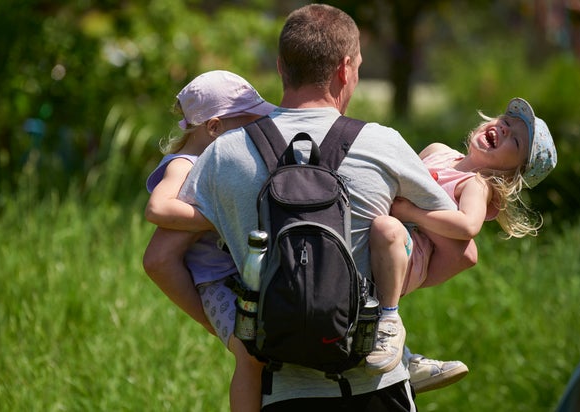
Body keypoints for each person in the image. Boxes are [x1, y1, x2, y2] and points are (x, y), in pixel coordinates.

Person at [147, 4, 476, 410]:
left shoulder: (222, 155)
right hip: (377, 383)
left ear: (283, 68)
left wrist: (236, 333)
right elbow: (463, 252)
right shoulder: (383, 144)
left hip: (283, 389)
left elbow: (159, 258)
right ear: (345, 69)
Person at [368, 97, 557, 382]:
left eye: (515, 142)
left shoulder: (476, 185)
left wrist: (413, 213)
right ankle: (404, 360)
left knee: (386, 230)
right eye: (505, 122)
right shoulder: (438, 151)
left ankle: (391, 322)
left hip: (410, 250)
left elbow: (468, 225)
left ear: (509, 174)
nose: (504, 130)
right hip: (392, 237)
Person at [144, 70, 276, 412]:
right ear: (214, 128)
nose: (254, 133)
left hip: (237, 277)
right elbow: (158, 207)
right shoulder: (185, 164)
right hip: (215, 283)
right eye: (246, 125)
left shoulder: (213, 163)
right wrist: (218, 216)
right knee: (249, 356)